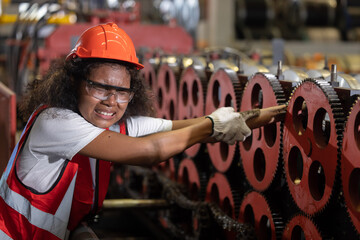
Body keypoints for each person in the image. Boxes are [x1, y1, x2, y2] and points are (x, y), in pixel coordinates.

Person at [0, 22, 257, 240]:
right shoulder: (55, 122)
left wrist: (227, 119)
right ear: (73, 82)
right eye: (99, 87)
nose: (111, 101)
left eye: (122, 91)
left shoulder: (106, 124)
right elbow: (151, 150)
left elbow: (172, 129)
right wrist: (213, 125)